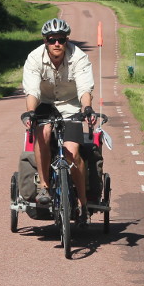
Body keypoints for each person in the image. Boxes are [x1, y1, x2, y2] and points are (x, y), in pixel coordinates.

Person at [22, 17, 97, 227]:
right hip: (44, 102)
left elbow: (84, 88)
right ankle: (44, 186)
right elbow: (32, 90)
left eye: (61, 40)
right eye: (52, 39)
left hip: (70, 105)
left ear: (67, 40)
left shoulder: (79, 57)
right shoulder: (34, 58)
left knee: (73, 152)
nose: (57, 44)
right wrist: (30, 113)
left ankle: (83, 205)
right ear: (45, 41)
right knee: (43, 133)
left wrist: (87, 108)